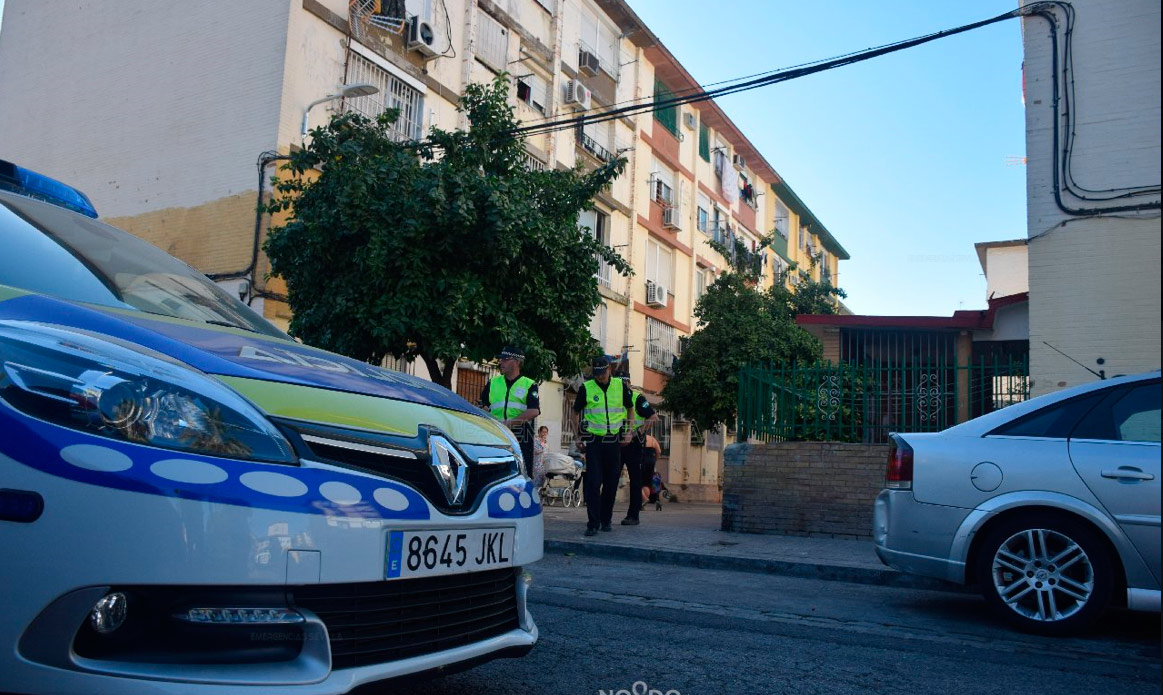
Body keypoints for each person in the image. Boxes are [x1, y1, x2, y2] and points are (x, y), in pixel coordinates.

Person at [572, 355, 633, 536]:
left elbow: (630, 409)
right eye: (597, 373)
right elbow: (574, 412)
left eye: (603, 372)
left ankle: (606, 520)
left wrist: (629, 431)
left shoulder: (619, 386)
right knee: (592, 483)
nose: (600, 376)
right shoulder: (586, 388)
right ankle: (593, 522)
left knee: (611, 483)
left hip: (613, 440)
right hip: (594, 441)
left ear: (609, 369)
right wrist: (577, 436)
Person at [480, 346, 540, 473]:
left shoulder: (529, 384)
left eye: (506, 359)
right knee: (495, 472)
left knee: (521, 472)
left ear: (517, 362)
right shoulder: (493, 382)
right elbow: (484, 406)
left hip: (520, 434)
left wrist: (510, 423)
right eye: (501, 359)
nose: (501, 362)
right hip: (496, 433)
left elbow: (534, 411)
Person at [619, 384, 658, 526]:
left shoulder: (637, 397)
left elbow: (653, 417)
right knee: (610, 479)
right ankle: (604, 516)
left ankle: (633, 516)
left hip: (633, 444)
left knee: (635, 481)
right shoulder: (613, 395)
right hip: (615, 442)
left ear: (628, 382)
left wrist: (637, 432)